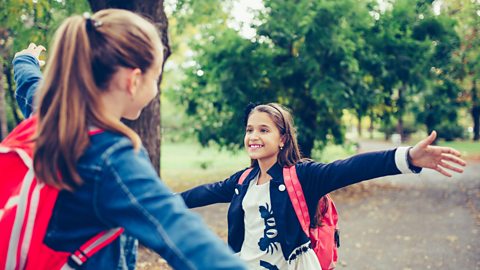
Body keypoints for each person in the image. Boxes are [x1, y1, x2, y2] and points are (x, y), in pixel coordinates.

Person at [12, 9, 247, 270]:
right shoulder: (111, 156)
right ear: (134, 80)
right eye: (155, 77)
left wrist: (25, 59)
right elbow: (180, 233)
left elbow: (30, 85)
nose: (155, 88)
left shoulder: (50, 118)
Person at [181, 103, 466, 269]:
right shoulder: (242, 181)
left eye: (264, 129)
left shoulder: (303, 176)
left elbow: (351, 168)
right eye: (250, 129)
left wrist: (407, 157)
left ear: (282, 139)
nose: (254, 136)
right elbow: (202, 193)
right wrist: (160, 200)